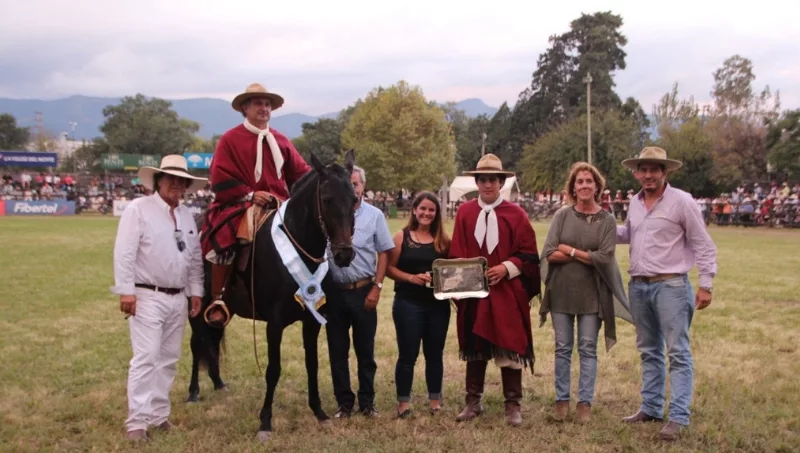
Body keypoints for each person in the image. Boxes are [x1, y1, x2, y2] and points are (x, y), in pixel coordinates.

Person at [616, 147, 717, 441]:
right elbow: (630, 233)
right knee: (649, 350)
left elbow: (703, 244)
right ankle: (650, 407)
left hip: (671, 285)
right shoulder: (635, 203)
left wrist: (706, 284)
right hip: (639, 285)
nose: (648, 175)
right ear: (637, 173)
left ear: (665, 172)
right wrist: (598, 226)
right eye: (643, 170)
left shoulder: (682, 202)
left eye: (654, 169)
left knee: (678, 353)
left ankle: (678, 416)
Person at [110, 155, 207, 442]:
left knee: (168, 358)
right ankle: (137, 422)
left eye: (182, 181)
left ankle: (158, 414)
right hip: (146, 294)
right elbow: (125, 252)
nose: (177, 185)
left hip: (177, 296)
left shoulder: (187, 215)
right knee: (146, 357)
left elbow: (194, 258)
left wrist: (196, 292)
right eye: (171, 179)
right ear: (158, 181)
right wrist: (126, 290)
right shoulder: (138, 209)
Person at [200, 83, 311, 323]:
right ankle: (219, 297)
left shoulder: (281, 140)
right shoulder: (230, 139)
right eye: (258, 103)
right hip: (241, 203)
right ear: (245, 108)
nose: (264, 108)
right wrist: (250, 194)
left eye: (267, 104)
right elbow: (219, 176)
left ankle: (311, 292)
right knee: (227, 236)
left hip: (279, 205)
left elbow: (300, 174)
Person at [449, 154, 541, 427]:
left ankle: (513, 404)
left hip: (506, 292)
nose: (487, 184)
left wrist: (506, 267)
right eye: (482, 179)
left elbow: (529, 254)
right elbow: (456, 252)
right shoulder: (465, 213)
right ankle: (472, 401)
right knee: (475, 345)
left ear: (501, 182)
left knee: (509, 345)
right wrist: (461, 282)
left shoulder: (517, 214)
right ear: (476, 182)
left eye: (493, 179)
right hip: (474, 292)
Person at [540, 162, 632, 423]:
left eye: (589, 181)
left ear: (597, 186)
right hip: (561, 291)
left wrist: (569, 250)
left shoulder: (607, 220)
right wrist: (586, 256)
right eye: (579, 181)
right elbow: (549, 253)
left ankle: (585, 403)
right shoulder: (562, 216)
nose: (584, 185)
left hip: (593, 294)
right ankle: (561, 401)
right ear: (573, 187)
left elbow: (605, 257)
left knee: (588, 347)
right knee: (562, 347)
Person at [326, 165, 394, 418]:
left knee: (365, 352)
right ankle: (344, 403)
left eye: (355, 184)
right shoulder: (329, 214)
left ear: (363, 186)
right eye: (348, 183)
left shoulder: (374, 216)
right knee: (337, 352)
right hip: (335, 292)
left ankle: (367, 403)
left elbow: (384, 252)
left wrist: (377, 287)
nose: (351, 188)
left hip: (363, 291)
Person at [386, 191, 451, 418]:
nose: (426, 213)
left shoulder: (444, 241)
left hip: (437, 306)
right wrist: (411, 278)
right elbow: (389, 268)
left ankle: (435, 402)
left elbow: (452, 272)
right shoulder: (401, 237)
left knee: (435, 354)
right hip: (407, 304)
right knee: (408, 355)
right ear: (414, 210)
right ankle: (403, 404)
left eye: (431, 210)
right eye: (423, 208)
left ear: (436, 213)